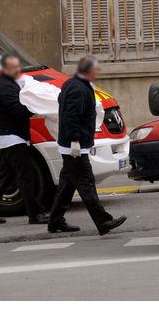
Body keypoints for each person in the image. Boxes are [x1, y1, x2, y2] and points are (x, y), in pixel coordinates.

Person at [48, 55, 127, 235]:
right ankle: (103, 222)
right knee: (86, 183)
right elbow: (71, 116)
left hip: (70, 145)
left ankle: (55, 221)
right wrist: (75, 140)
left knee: (67, 185)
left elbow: (63, 105)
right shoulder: (79, 88)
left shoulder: (72, 84)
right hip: (74, 146)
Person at [0, 55, 49, 225]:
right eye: (14, 68)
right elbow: (17, 110)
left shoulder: (6, 84)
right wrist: (35, 107)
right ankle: (34, 214)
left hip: (8, 138)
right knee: (25, 176)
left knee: (4, 177)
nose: (18, 70)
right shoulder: (5, 87)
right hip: (13, 138)